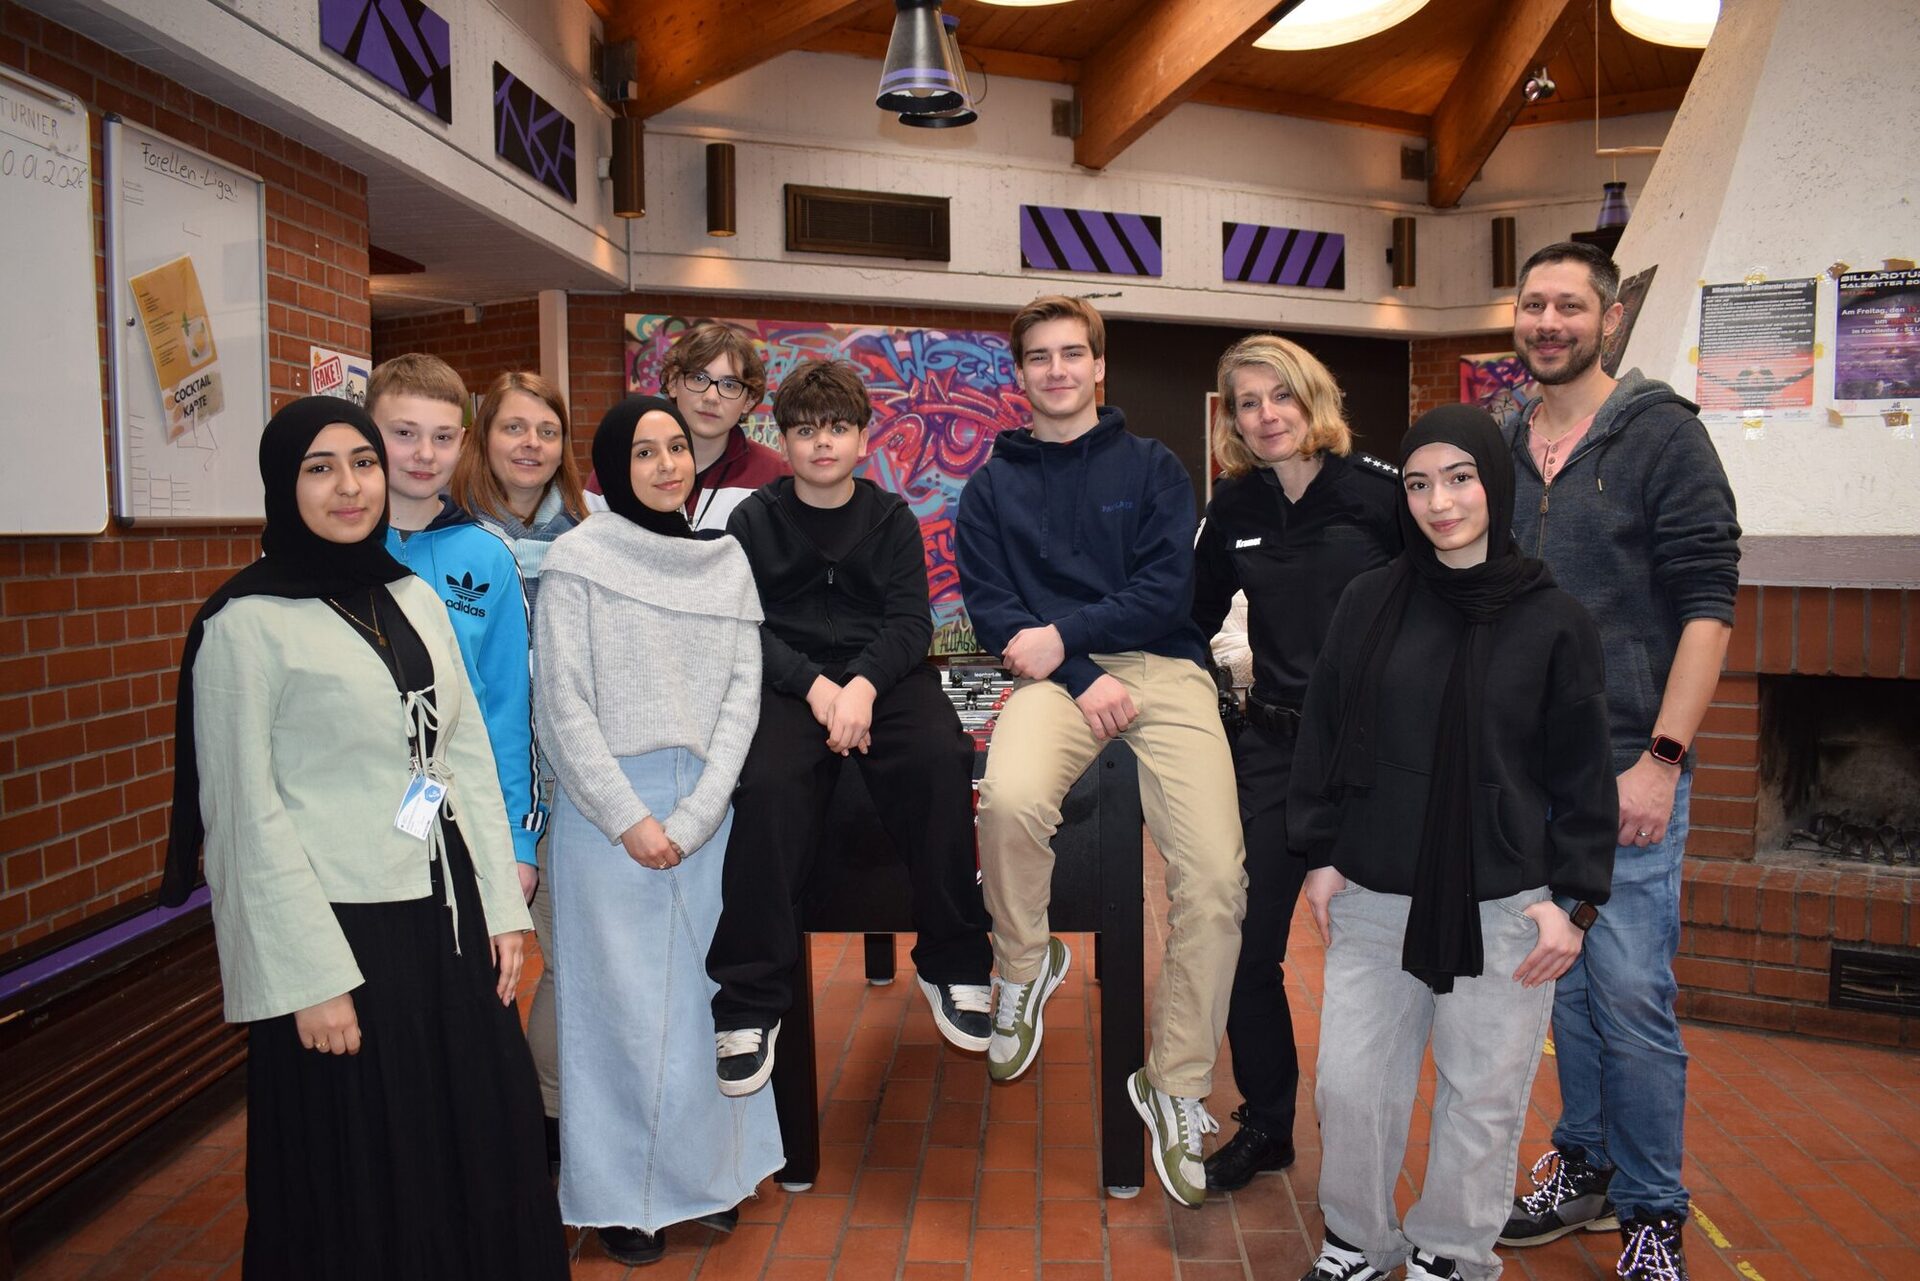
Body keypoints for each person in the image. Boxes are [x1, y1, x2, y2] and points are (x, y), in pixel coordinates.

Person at [159, 397, 567, 1280]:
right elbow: (244, 821)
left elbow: (462, 752)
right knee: (366, 1167)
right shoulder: (244, 623)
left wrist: (502, 906)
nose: (350, 486)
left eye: (362, 463)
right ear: (283, 483)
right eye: (320, 468)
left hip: (446, 915)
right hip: (339, 935)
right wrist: (309, 979)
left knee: (478, 1137)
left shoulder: (409, 594)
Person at [1289, 404, 1617, 1281]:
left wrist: (1574, 903)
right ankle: (1358, 1241)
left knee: (1481, 1096)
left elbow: (1585, 774)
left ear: (1494, 484)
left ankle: (1451, 1252)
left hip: (1506, 902)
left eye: (1460, 478)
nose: (1440, 502)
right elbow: (1324, 732)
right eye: (1419, 483)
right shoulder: (1370, 600)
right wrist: (1321, 853)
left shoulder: (1554, 620)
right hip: (1374, 889)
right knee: (1350, 1086)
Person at [955, 295, 1247, 1209]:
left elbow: (1167, 592)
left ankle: (1175, 1080)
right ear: (1020, 374)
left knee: (1215, 878)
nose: (1057, 370)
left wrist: (1067, 638)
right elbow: (994, 611)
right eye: (1039, 356)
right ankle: (1023, 960)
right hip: (1057, 680)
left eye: (1072, 353)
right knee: (1007, 799)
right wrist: (1078, 670)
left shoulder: (1152, 467)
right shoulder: (990, 488)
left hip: (1164, 669)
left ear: (1099, 366)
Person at [1497, 242, 1739, 1281]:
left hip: (1627, 766)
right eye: (1533, 304)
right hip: (1524, 774)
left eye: (1569, 305)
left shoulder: (1662, 436)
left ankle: (1652, 1213)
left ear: (1608, 320)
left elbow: (1709, 608)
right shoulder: (1502, 441)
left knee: (1632, 994)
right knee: (1566, 986)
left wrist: (1663, 760)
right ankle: (1586, 1164)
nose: (1548, 322)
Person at [534, 395, 782, 1266]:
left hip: (708, 806)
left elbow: (743, 694)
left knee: (704, 1005)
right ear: (612, 466)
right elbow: (561, 702)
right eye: (645, 451)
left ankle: (710, 1178)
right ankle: (622, 1201)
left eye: (677, 447)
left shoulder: (725, 559)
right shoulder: (579, 557)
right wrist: (628, 818)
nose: (667, 464)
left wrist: (701, 810)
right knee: (616, 1016)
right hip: (607, 813)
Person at [706, 358, 994, 1095]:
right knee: (766, 783)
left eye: (837, 428)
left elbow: (910, 622)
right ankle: (749, 1000)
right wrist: (816, 688)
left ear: (863, 439)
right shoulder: (751, 521)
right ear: (784, 440)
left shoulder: (892, 518)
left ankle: (954, 961)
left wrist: (861, 687)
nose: (822, 443)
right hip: (789, 682)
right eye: (805, 431)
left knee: (939, 756)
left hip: (886, 680)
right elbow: (744, 627)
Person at [1190, 334, 1403, 1193]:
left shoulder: (1381, 495)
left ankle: (1366, 1141)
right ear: (1233, 420)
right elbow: (1190, 618)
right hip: (1274, 750)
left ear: (1314, 398)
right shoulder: (1235, 504)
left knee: (1372, 958)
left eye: (1280, 394)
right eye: (1247, 402)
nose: (1266, 414)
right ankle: (1268, 1123)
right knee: (1244, 949)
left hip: (1376, 757)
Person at [450, 369, 590, 1165]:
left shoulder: (592, 536)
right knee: (473, 969)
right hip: (472, 785)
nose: (531, 444)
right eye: (513, 427)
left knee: (569, 965)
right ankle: (480, 1134)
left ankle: (549, 1129)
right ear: (484, 437)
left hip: (567, 785)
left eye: (546, 429)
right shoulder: (445, 537)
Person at [367, 355, 543, 899]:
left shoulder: (489, 556)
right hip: (353, 815)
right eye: (404, 433)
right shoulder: (330, 553)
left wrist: (518, 840)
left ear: (463, 442)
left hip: (463, 813)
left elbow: (508, 708)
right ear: (366, 432)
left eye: (443, 437)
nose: (425, 453)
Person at [587, 322, 788, 530]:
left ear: (748, 401)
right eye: (698, 378)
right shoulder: (617, 469)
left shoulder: (777, 477)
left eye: (729, 385)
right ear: (673, 382)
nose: (711, 397)